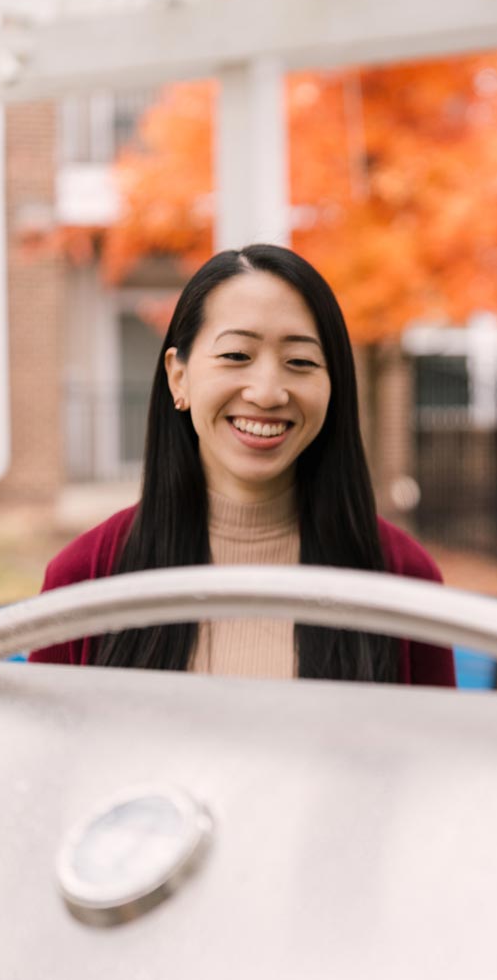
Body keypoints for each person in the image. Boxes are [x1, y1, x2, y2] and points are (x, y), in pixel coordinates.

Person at [32, 244, 456, 688]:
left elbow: (438, 755)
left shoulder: (403, 577)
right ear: (179, 377)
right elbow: (45, 753)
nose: (268, 392)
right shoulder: (84, 577)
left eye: (301, 362)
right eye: (237, 356)